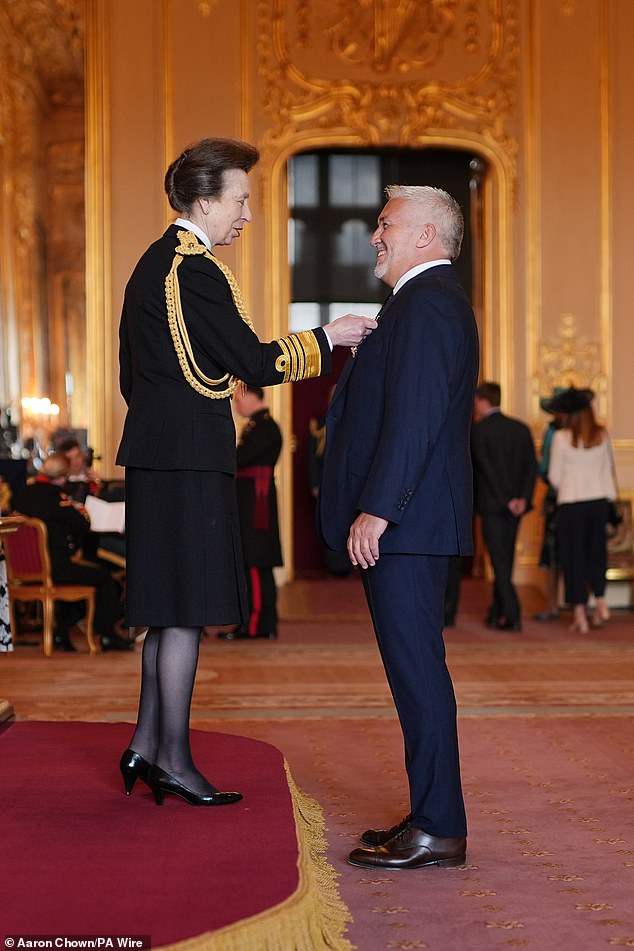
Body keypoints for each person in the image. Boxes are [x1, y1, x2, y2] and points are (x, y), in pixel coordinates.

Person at [116, 136, 376, 807]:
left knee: (167, 607)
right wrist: (329, 337)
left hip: (157, 454)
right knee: (186, 611)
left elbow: (130, 378)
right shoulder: (197, 269)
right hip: (190, 459)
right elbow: (256, 363)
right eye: (241, 199)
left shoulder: (152, 264)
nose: (248, 214)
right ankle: (172, 758)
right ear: (204, 201)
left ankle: (147, 741)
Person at [319, 184, 479, 870]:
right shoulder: (417, 303)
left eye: (386, 224)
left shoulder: (429, 303)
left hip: (406, 526)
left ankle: (440, 825)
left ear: (425, 235)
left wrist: (378, 508)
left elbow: (414, 418)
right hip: (410, 524)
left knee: (419, 675)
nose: (375, 234)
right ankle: (429, 814)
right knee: (416, 673)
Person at [12, 453, 130, 652]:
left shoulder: (23, 494)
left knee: (82, 581)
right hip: (55, 567)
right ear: (62, 476)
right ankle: (107, 635)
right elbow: (82, 525)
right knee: (104, 579)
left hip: (23, 570)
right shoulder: (56, 497)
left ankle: (61, 632)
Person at [548, 386, 616, 633]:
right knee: (596, 554)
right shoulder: (602, 435)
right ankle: (600, 600)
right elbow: (609, 473)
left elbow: (554, 476)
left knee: (573, 558)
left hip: (572, 503)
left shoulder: (561, 438)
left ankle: (580, 614)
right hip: (598, 502)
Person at [471, 382, 537, 631]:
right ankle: (497, 610)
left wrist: (505, 499)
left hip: (493, 506)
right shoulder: (520, 429)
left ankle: (511, 613)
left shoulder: (480, 431)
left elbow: (486, 472)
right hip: (517, 507)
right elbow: (531, 468)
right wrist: (522, 498)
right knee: (505, 559)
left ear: (481, 401)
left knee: (499, 561)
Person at [218, 385, 282, 640]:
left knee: (254, 562)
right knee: (251, 562)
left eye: (237, 398)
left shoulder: (265, 427)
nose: (235, 404)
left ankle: (257, 625)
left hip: (256, 503)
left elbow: (240, 458)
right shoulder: (257, 425)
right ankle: (253, 622)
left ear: (253, 396)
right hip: (251, 500)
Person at [533, 388, 566, 621]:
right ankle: (580, 607)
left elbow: (546, 470)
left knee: (554, 556)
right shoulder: (587, 430)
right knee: (576, 555)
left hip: (557, 499)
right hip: (583, 500)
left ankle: (554, 605)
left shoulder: (553, 432)